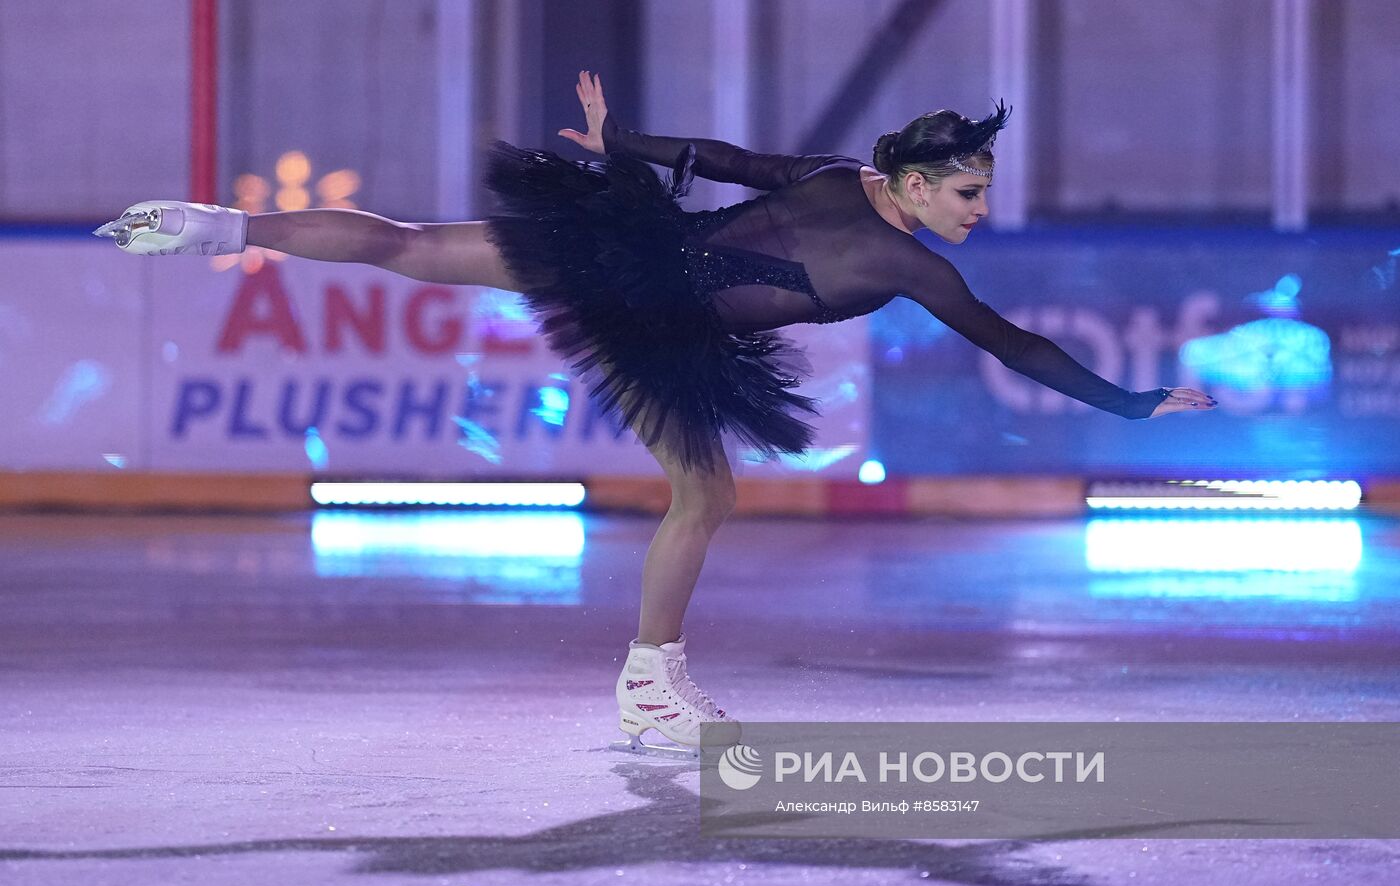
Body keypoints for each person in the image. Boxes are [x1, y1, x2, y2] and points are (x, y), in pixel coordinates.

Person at [95, 70, 1215, 759]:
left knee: (406, 245)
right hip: (659, 322)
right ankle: (647, 677)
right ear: (915, 184)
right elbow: (1010, 343)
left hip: (622, 253)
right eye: (966, 191)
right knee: (704, 494)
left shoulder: (839, 181)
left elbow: (721, 161)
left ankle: (216, 229)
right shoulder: (903, 262)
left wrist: (618, 144)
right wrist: (1130, 402)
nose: (978, 209)